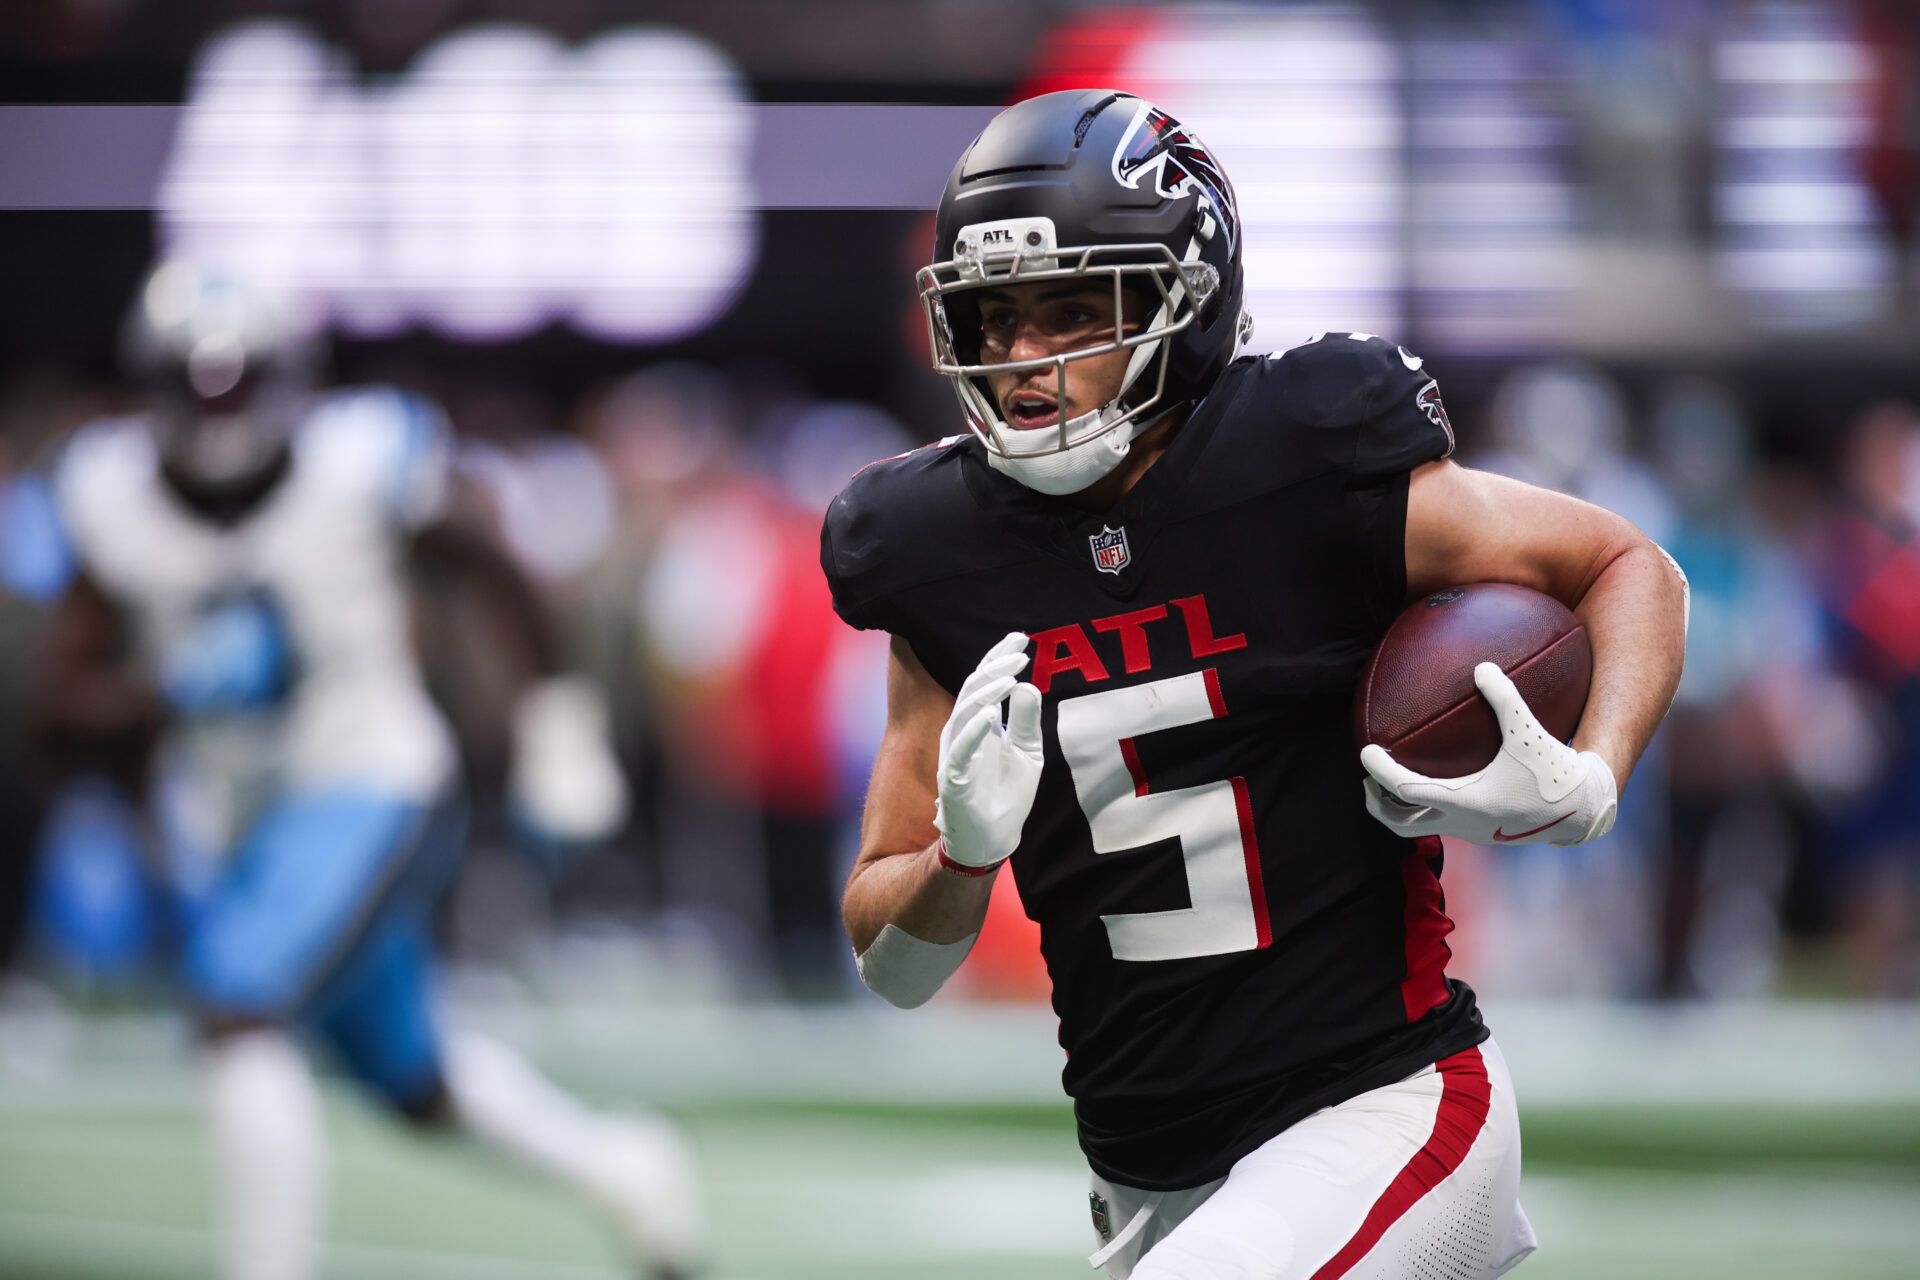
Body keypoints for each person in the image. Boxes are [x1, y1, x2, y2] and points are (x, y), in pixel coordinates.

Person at [821, 90, 1688, 1279]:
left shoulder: (1300, 457)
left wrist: (1593, 771)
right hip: (1146, 1179)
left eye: (1076, 307)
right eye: (997, 317)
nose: (1028, 360)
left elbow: (1627, 563)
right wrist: (959, 858)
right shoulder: (931, 547)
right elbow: (898, 968)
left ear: (1184, 297)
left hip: (1383, 1108)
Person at [30, 261, 705, 1280]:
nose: (223, 412)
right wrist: (161, 693)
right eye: (199, 386)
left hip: (371, 775)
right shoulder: (111, 495)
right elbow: (59, 707)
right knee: (409, 1074)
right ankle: (620, 1163)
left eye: (244, 384)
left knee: (238, 1000)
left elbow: (494, 567)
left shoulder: (359, 461)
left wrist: (555, 719)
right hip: (241, 817)